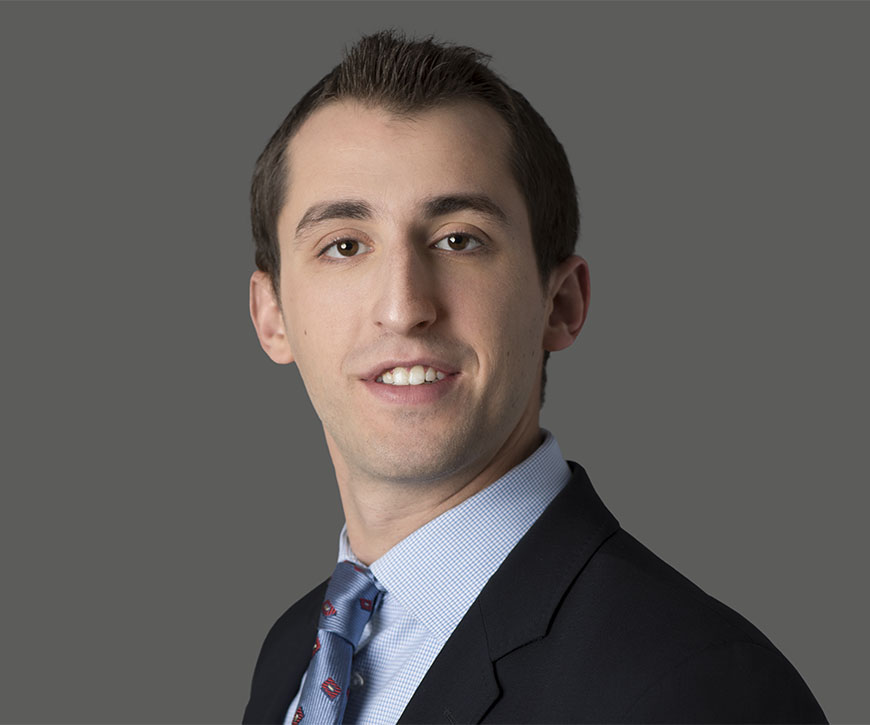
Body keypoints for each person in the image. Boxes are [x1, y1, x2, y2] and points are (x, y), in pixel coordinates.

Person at [243, 30, 826, 725]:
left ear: (561, 304)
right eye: (343, 245)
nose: (403, 307)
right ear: (272, 316)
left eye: (459, 240)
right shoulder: (294, 653)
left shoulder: (698, 686)